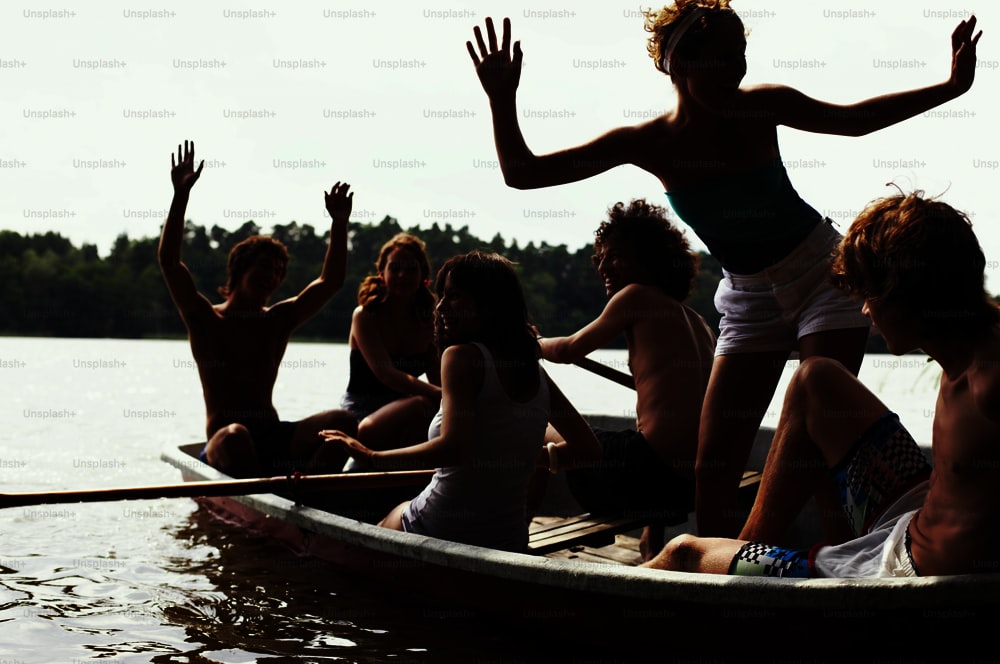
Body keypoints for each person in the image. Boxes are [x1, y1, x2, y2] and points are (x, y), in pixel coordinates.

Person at [466, 5, 982, 536]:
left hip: (821, 277)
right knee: (710, 480)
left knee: (819, 454)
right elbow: (523, 174)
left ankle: (834, 576)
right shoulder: (649, 142)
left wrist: (950, 86)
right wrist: (501, 100)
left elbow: (854, 121)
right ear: (677, 64)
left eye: (740, 57)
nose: (736, 71)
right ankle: (719, 585)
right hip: (749, 298)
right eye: (721, 60)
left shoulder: (761, 107)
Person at [642, 191, 1000, 577]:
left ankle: (735, 577)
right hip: (916, 514)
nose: (865, 310)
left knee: (684, 553)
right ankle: (744, 565)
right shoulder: (968, 347)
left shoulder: (990, 381)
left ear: (904, 289)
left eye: (869, 294)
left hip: (907, 572)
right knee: (817, 379)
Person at [320, 250, 602, 552]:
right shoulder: (535, 372)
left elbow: (452, 449)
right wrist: (522, 457)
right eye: (441, 296)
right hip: (509, 539)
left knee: (364, 537)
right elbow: (590, 450)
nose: (440, 307)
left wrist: (371, 456)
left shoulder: (460, 356)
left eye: (453, 297)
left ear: (488, 304)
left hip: (444, 527)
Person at [158, 140, 357, 479]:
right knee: (236, 435)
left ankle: (305, 489)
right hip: (225, 443)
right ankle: (268, 493)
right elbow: (170, 261)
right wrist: (181, 196)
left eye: (279, 271)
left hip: (274, 438)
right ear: (239, 270)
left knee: (343, 423)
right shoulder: (206, 318)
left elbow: (330, 282)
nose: (272, 276)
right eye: (265, 267)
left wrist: (339, 222)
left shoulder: (278, 320)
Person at [536, 198, 715, 559]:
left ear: (648, 258)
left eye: (615, 256)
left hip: (646, 480)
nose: (603, 266)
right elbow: (667, 418)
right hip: (685, 487)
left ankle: (513, 529)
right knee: (639, 433)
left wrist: (532, 343)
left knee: (538, 421)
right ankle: (651, 539)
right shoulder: (697, 323)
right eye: (600, 257)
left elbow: (569, 350)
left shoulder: (635, 297)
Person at [340, 233, 441, 453]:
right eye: (395, 268)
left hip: (406, 414)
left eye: (411, 269)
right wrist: (438, 394)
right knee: (425, 403)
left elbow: (439, 379)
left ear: (424, 275)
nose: (402, 275)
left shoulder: (429, 322)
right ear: (382, 274)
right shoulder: (365, 316)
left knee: (437, 406)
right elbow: (386, 373)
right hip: (363, 417)